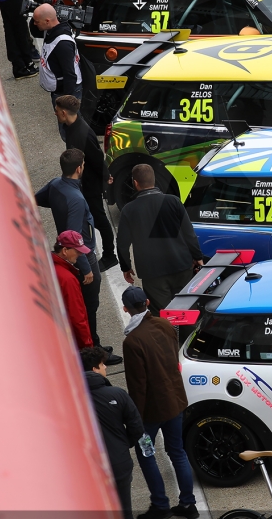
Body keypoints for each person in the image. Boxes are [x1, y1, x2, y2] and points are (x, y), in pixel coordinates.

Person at [36, 149, 121, 362]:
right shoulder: (75, 198)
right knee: (89, 306)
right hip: (84, 255)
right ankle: (94, 351)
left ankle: (95, 343)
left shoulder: (56, 184)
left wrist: (58, 207)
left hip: (78, 252)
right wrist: (86, 268)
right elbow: (74, 237)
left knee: (88, 305)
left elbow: (38, 198)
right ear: (79, 168)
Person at [120, 286, 196, 519]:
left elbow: (138, 386)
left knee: (146, 454)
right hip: (175, 401)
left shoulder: (132, 342)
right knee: (177, 452)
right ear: (148, 301)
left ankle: (160, 505)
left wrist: (135, 419)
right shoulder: (165, 325)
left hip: (151, 411)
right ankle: (188, 504)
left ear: (126, 309)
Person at [117, 164, 203, 311]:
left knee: (163, 316)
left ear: (135, 182)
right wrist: (197, 256)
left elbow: (122, 244)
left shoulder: (129, 210)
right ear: (154, 181)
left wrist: (126, 266)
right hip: (181, 266)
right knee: (187, 311)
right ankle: (187, 334)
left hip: (152, 273)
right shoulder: (174, 202)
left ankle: (169, 334)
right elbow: (189, 234)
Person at [54, 95, 117, 271]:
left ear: (64, 113)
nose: (55, 113)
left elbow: (97, 158)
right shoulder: (71, 127)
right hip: (81, 184)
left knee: (100, 220)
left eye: (57, 111)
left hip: (90, 185)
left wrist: (106, 175)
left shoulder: (82, 133)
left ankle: (110, 255)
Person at [81, 346, 144, 519]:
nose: (106, 368)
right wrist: (123, 444)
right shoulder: (118, 394)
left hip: (87, 469)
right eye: (102, 365)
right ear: (94, 369)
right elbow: (137, 427)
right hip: (119, 464)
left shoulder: (70, 399)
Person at [33, 4, 82, 120]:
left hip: (65, 91)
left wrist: (66, 103)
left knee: (69, 128)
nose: (34, 23)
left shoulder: (62, 44)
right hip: (59, 89)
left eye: (36, 21)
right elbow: (35, 31)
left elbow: (70, 75)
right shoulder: (51, 30)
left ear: (47, 21)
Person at [51, 231, 94, 350]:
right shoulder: (68, 279)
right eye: (77, 251)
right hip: (71, 341)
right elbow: (77, 317)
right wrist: (88, 347)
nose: (80, 254)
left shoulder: (48, 265)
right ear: (65, 251)